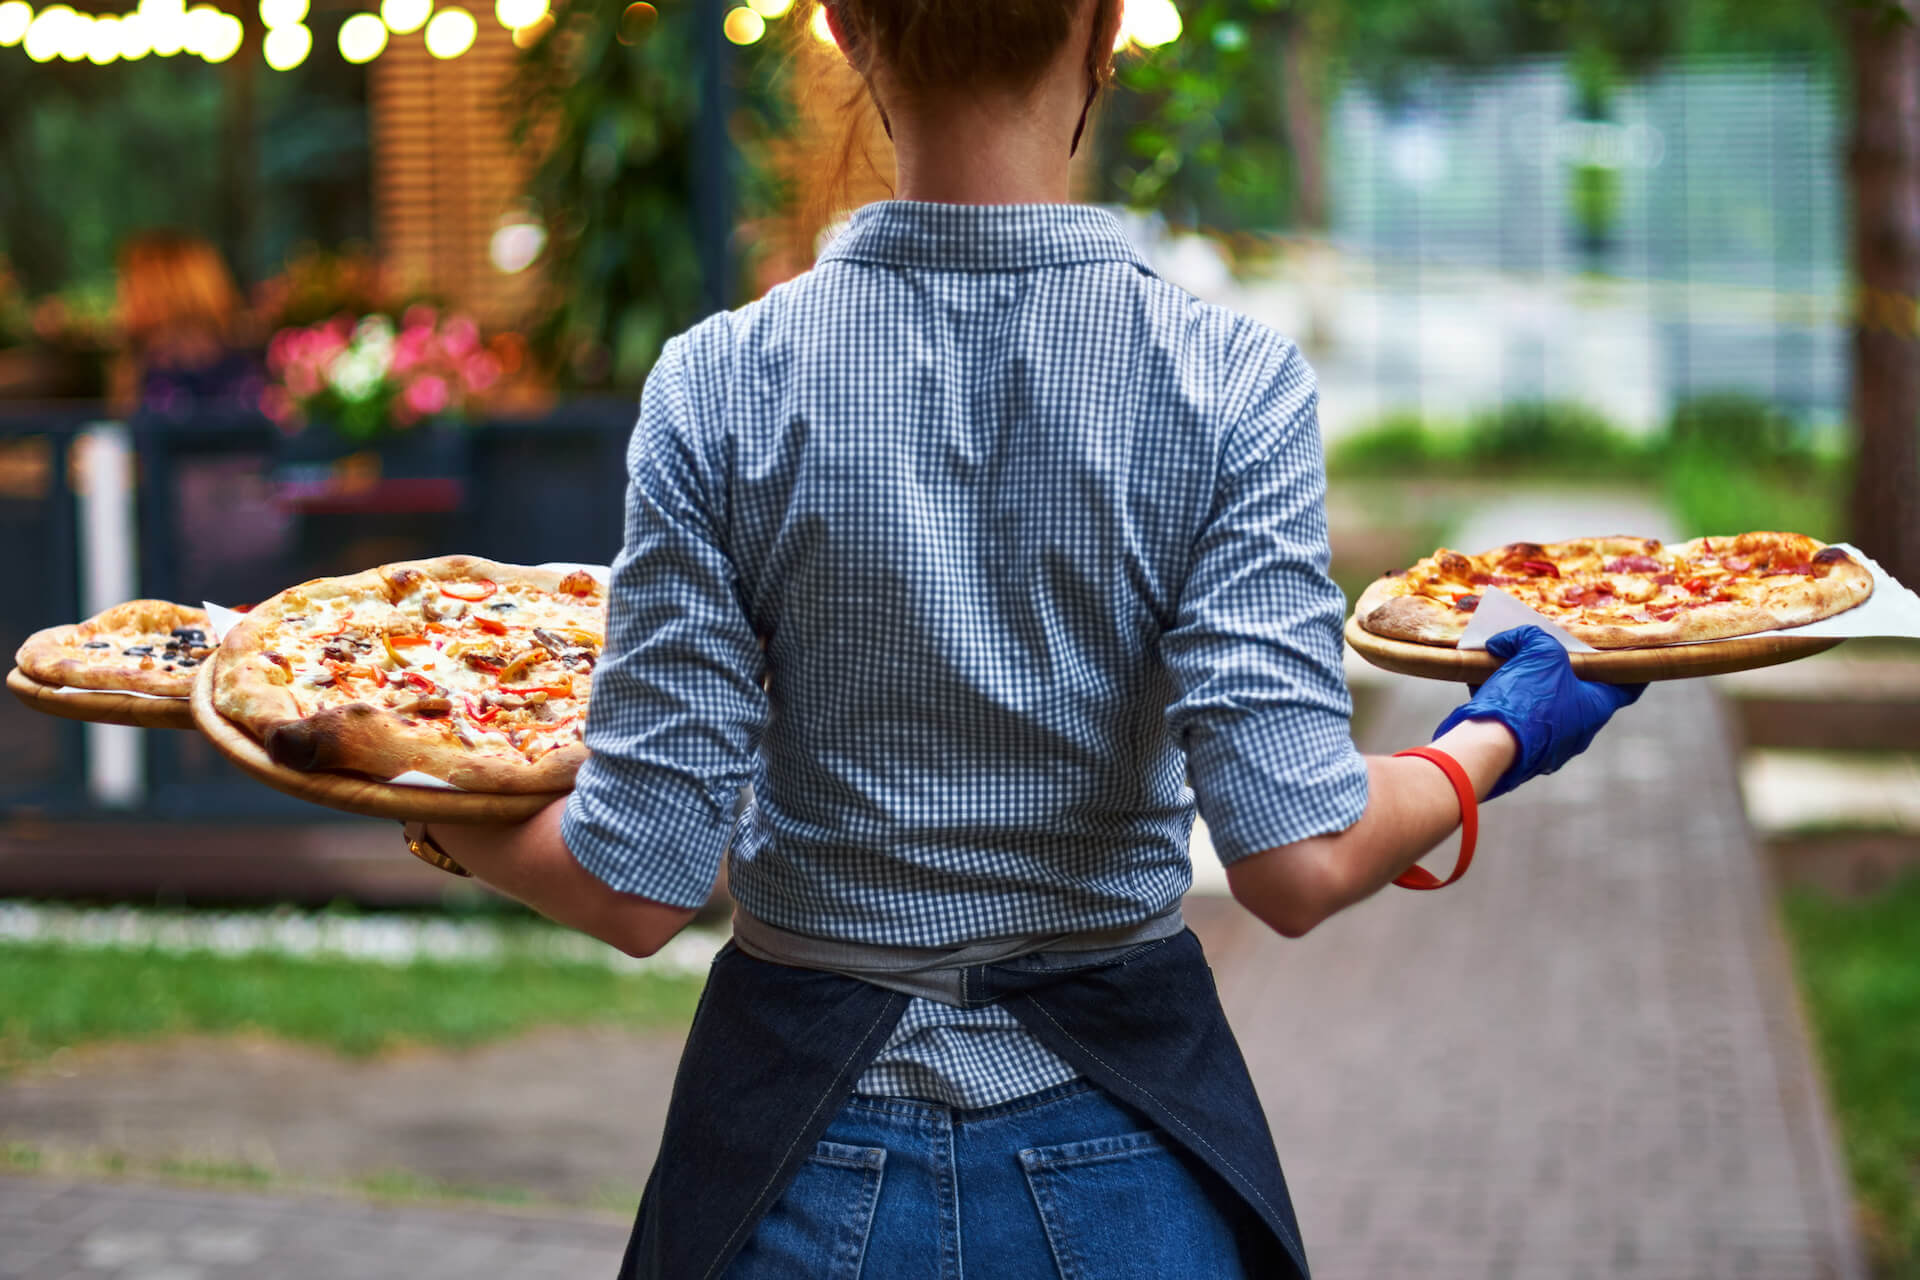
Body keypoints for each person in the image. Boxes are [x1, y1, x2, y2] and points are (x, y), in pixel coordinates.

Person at [408, 2, 1642, 1275]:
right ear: (1106, 27)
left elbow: (634, 883)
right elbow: (1300, 856)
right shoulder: (1230, 382)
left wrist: (404, 788)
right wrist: (1495, 736)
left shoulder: (716, 386)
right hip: (1127, 1154)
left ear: (842, 24)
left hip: (790, 1153)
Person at [112, 230, 263, 419]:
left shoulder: (160, 375)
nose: (123, 295)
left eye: (130, 283)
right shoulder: (138, 365)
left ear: (164, 292)